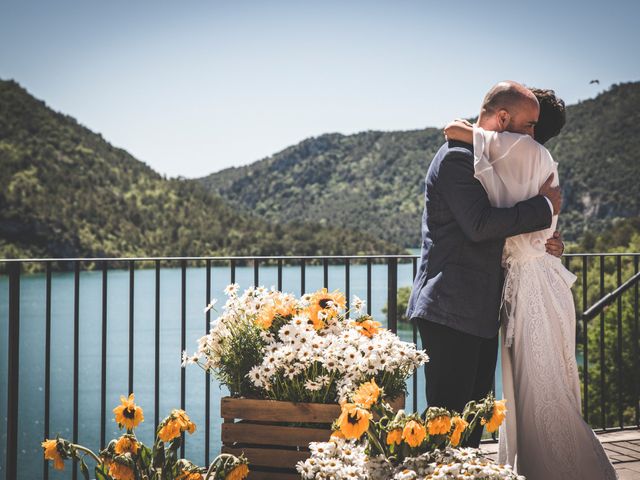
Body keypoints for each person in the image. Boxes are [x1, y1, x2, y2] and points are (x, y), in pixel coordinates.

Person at [444, 88, 617, 479]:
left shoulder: (524, 152)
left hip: (533, 288)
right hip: (534, 283)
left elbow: (456, 130)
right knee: (537, 387)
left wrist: (460, 126)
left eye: (530, 122)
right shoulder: (523, 157)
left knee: (540, 386)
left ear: (530, 129)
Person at [405, 81, 564, 448]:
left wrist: (546, 242)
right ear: (504, 117)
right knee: (448, 428)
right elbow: (479, 225)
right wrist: (543, 208)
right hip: (449, 307)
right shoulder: (455, 159)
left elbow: (507, 227)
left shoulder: (488, 160)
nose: (532, 137)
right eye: (528, 126)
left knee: (472, 426)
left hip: (479, 311)